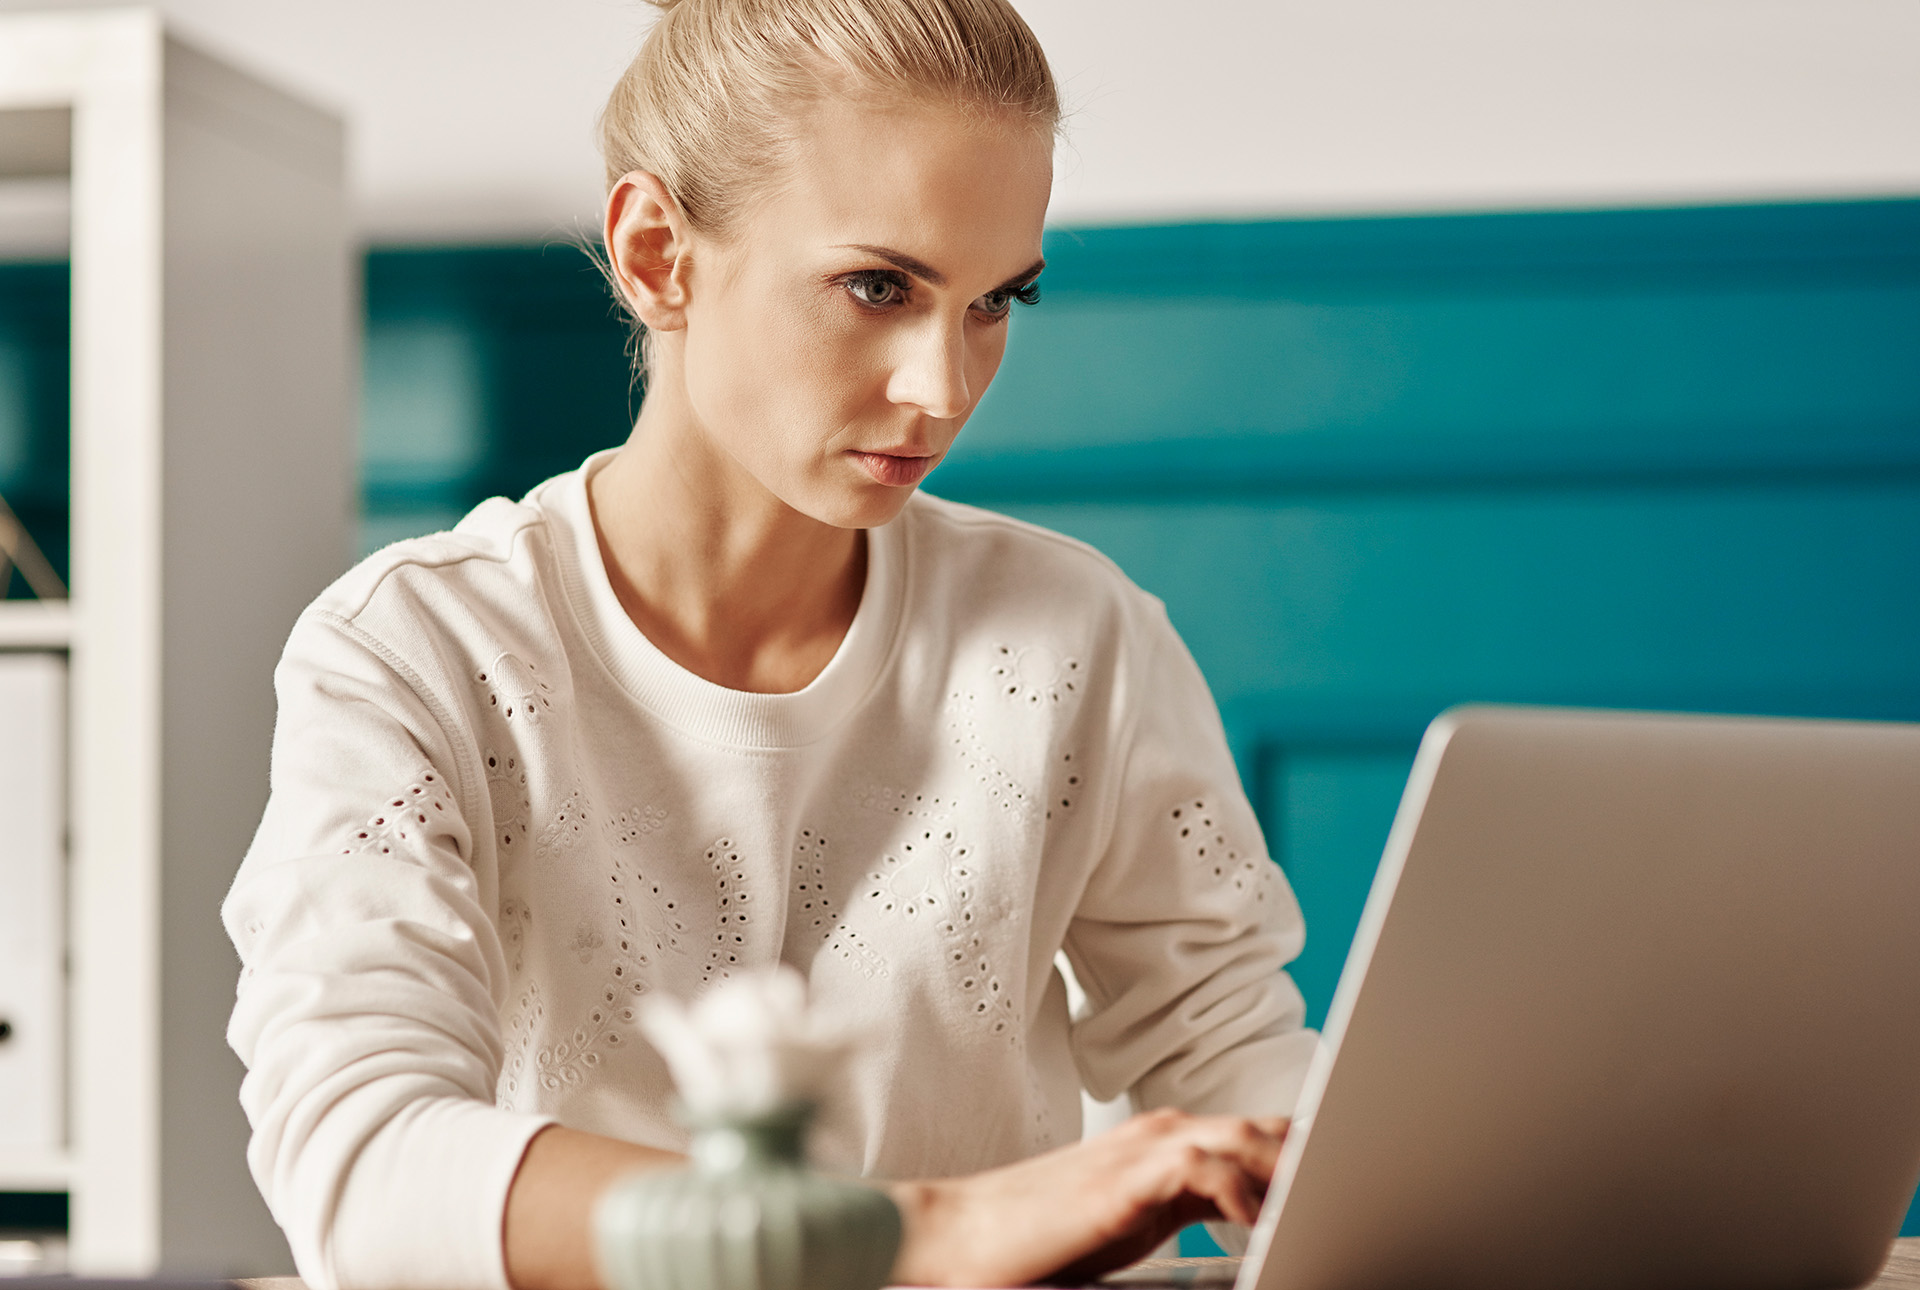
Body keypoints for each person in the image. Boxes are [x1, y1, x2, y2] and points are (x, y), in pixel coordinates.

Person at [223, 1, 1317, 1287]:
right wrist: (931, 1237)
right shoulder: (414, 649)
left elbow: (1246, 1073)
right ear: (655, 254)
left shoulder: (1080, 636)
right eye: (877, 287)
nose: (944, 387)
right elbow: (365, 1167)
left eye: (994, 302)